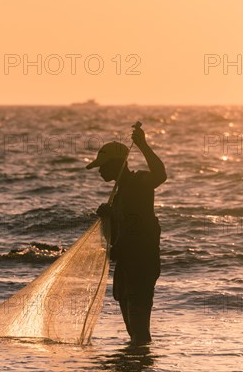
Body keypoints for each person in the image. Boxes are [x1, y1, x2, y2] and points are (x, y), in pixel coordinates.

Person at [86, 124, 167, 344]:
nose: (100, 171)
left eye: (103, 166)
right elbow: (115, 236)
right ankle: (135, 362)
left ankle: (141, 361)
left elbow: (160, 175)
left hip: (141, 265)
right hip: (125, 267)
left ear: (117, 164)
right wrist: (107, 218)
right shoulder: (117, 197)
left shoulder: (139, 182)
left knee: (139, 329)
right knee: (133, 331)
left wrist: (142, 145)